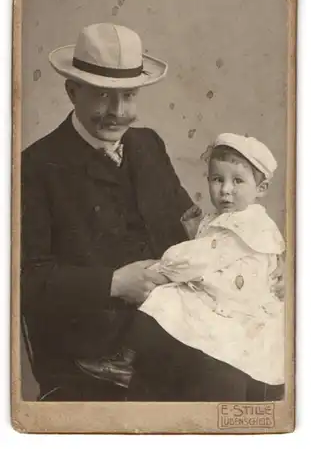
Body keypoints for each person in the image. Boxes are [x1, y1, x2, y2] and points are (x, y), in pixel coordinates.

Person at [21, 23, 195, 401]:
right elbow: (26, 282)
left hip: (173, 333)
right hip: (89, 360)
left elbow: (188, 224)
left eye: (128, 96)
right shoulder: (33, 168)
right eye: (102, 96)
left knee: (258, 377)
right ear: (72, 91)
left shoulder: (149, 146)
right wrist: (114, 283)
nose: (118, 112)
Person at [79, 133, 286, 401]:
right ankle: (130, 359)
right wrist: (193, 230)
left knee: (166, 298)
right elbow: (213, 247)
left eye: (237, 181)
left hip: (235, 301)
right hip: (232, 293)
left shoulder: (244, 224)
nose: (225, 190)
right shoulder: (239, 219)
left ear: (261, 189)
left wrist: (165, 265)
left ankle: (127, 358)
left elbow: (202, 255)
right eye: (217, 179)